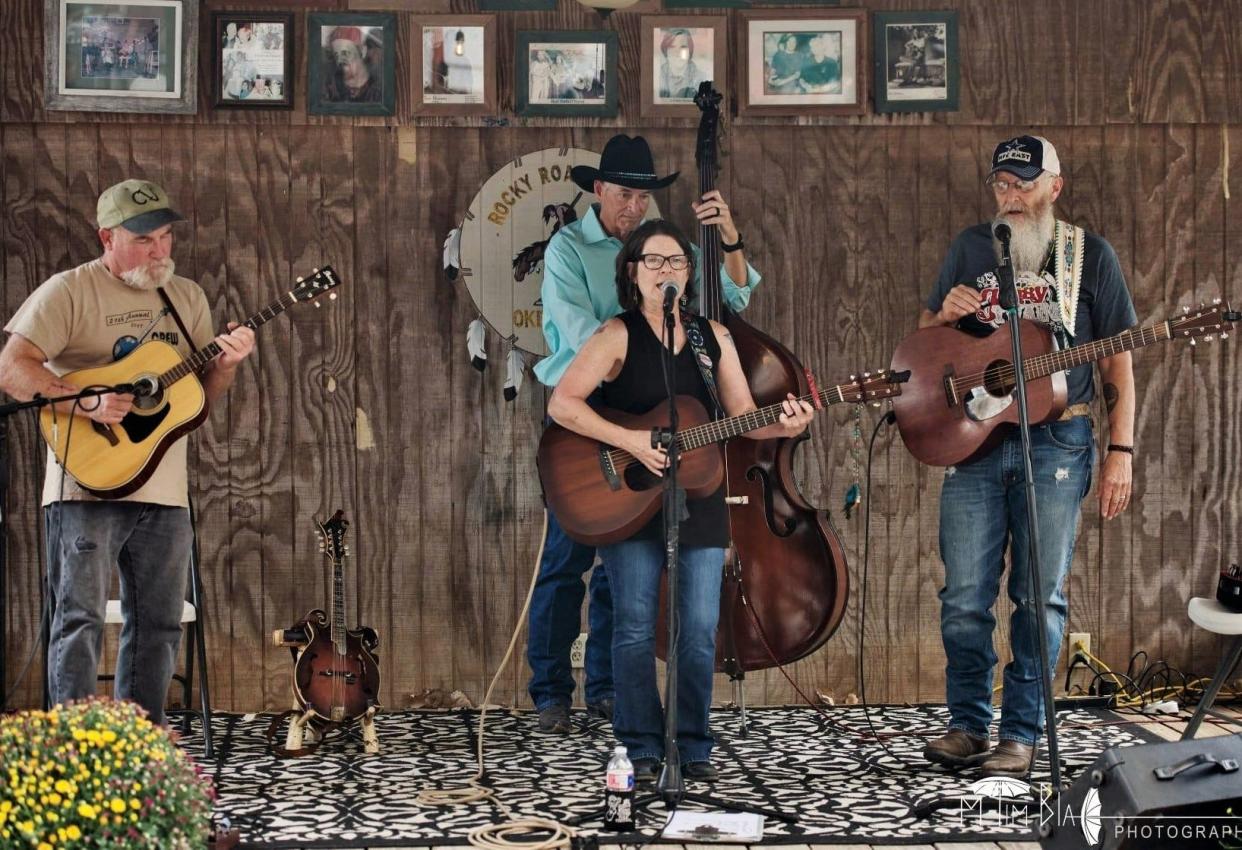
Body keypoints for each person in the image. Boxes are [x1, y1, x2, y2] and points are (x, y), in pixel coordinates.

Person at [547, 219, 813, 781]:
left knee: (696, 630)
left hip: (701, 494)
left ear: (689, 275)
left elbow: (743, 419)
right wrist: (632, 442)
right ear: (632, 272)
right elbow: (564, 406)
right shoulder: (615, 334)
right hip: (628, 498)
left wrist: (787, 423)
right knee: (636, 626)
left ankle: (693, 744)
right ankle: (641, 745)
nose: (666, 272)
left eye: (676, 263)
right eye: (654, 262)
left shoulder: (710, 336)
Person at [918, 136, 1137, 777]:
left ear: (1054, 187)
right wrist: (940, 318)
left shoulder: (1089, 256)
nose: (1010, 195)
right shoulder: (969, 248)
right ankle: (967, 725)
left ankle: (1020, 732)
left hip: (1059, 440)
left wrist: (1120, 449)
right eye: (1002, 184)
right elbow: (928, 344)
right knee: (963, 597)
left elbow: (1117, 355)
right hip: (977, 439)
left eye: (1023, 182)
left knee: (1038, 597)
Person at [528, 134, 762, 734]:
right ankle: (551, 690)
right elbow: (592, 338)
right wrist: (649, 324)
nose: (636, 207)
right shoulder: (568, 250)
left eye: (645, 197)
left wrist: (728, 238)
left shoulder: (665, 251)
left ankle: (608, 689)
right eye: (626, 195)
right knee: (566, 562)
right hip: (589, 424)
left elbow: (734, 295)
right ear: (599, 190)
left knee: (620, 569)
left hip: (656, 428)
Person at [0, 180, 256, 724]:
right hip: (83, 487)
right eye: (144, 240)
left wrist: (227, 366)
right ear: (106, 238)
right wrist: (85, 402)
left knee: (160, 622)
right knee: (79, 618)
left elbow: (194, 401)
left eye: (165, 238)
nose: (159, 251)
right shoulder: (68, 291)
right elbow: (11, 369)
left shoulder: (185, 297)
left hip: (162, 489)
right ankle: (73, 748)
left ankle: (141, 747)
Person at [324, 26, 382, 103]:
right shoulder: (333, 83)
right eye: (336, 55)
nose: (341, 60)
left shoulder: (376, 86)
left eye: (346, 53)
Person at [657, 28, 705, 100]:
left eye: (683, 47)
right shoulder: (656, 76)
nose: (677, 53)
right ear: (666, 51)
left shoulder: (701, 79)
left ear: (690, 51)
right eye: (672, 48)